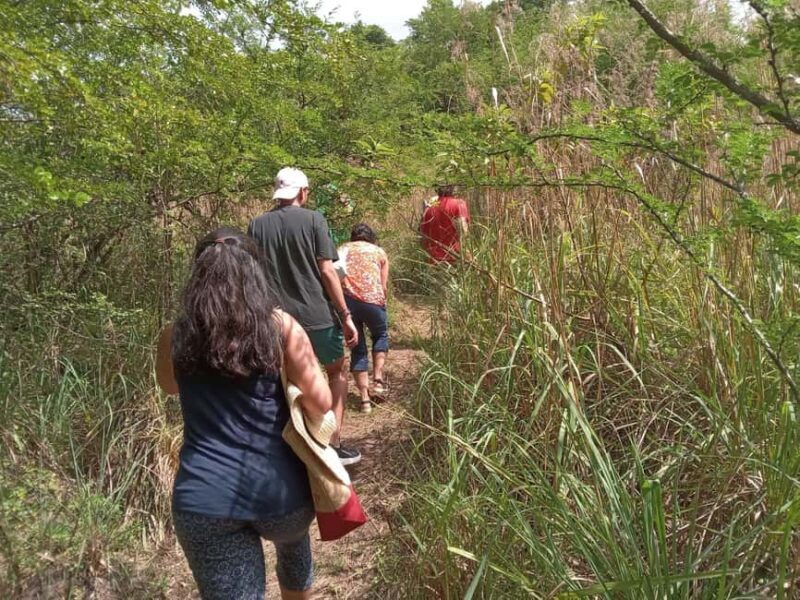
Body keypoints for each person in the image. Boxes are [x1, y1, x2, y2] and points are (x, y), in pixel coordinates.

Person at [156, 227, 332, 600]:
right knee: (293, 541)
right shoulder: (280, 327)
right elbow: (322, 402)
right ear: (256, 273)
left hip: (203, 499)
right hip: (282, 495)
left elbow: (169, 386)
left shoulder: (174, 334)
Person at [248, 167, 361, 466]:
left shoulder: (256, 225)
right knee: (336, 371)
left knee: (282, 383)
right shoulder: (314, 219)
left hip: (273, 320)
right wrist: (346, 314)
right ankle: (332, 444)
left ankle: (287, 449)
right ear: (302, 192)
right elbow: (327, 270)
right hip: (317, 317)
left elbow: (254, 275)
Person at [337, 223, 390, 414]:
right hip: (373, 302)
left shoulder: (342, 249)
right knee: (381, 334)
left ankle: (365, 400)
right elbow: (383, 287)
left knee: (357, 348)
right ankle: (377, 380)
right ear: (371, 237)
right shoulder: (379, 252)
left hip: (347, 303)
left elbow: (335, 275)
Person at [419, 184, 471, 263]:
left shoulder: (429, 208)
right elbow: (463, 230)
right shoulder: (459, 204)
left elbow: (422, 237)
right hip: (454, 258)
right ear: (453, 188)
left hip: (433, 260)